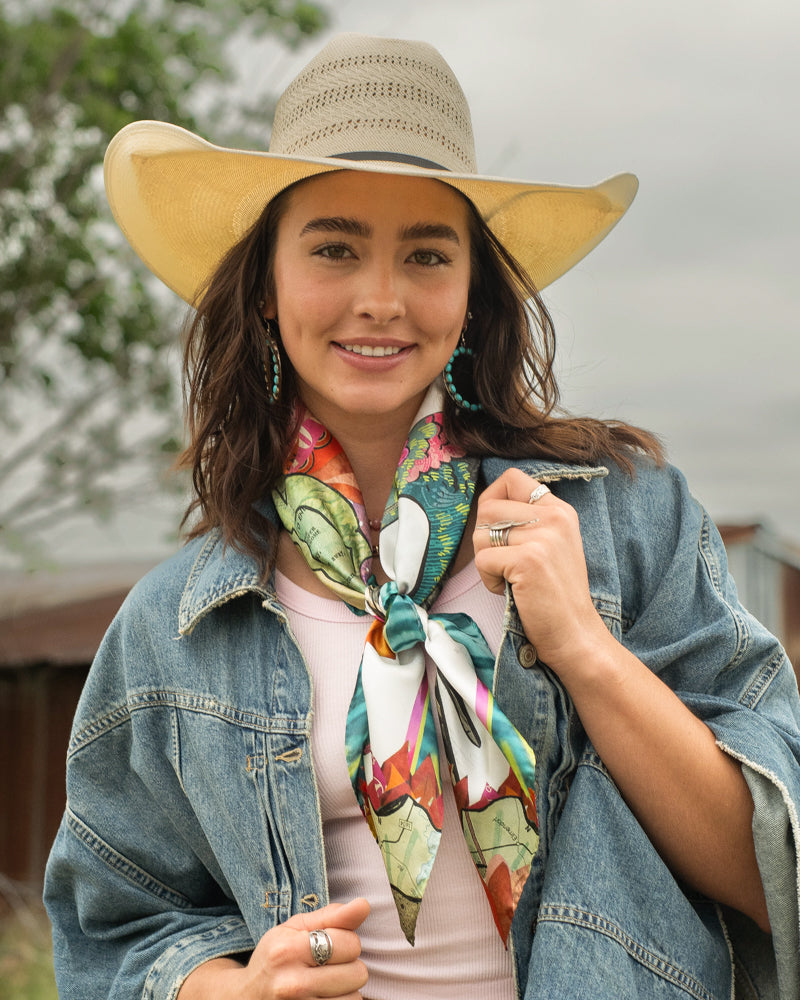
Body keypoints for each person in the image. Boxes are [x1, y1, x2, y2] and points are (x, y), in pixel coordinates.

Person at [44, 32, 800, 1000]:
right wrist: (231, 988)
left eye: (427, 254)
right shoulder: (174, 624)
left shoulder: (627, 521)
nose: (381, 299)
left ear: (472, 295)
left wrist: (584, 646)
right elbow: (113, 926)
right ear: (265, 289)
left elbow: (771, 880)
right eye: (334, 248)